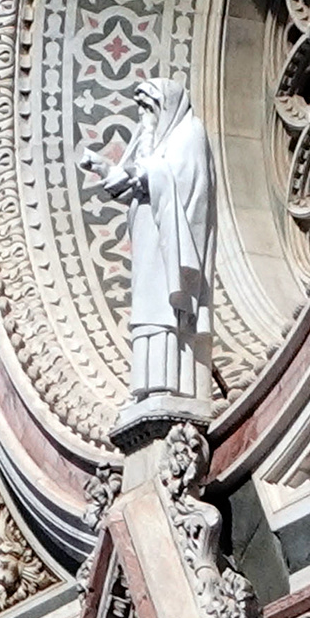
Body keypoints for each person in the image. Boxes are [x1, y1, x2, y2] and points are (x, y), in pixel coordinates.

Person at [85, 75, 214, 404]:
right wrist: (104, 168)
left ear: (166, 104)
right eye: (140, 107)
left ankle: (169, 385)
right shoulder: (157, 141)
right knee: (145, 312)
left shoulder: (189, 132)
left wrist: (148, 171)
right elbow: (131, 183)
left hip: (170, 242)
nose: (144, 115)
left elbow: (188, 182)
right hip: (148, 243)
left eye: (148, 106)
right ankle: (145, 385)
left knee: (163, 311)